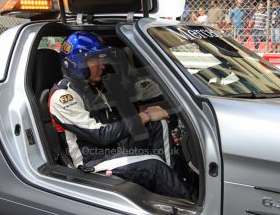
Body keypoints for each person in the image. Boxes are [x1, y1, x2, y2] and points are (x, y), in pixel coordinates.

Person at [48, 31, 194, 200]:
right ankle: (187, 199)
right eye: (95, 60)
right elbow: (101, 135)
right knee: (153, 164)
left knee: (157, 124)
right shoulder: (63, 97)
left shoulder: (91, 87)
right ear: (77, 63)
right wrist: (144, 115)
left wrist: (148, 116)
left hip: (114, 148)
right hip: (91, 161)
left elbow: (117, 122)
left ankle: (171, 186)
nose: (102, 65)